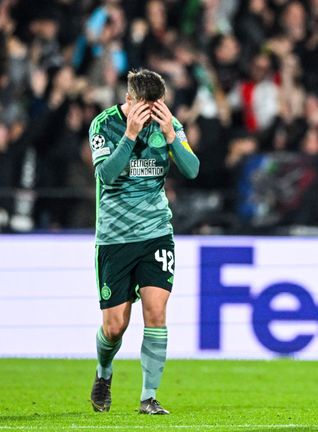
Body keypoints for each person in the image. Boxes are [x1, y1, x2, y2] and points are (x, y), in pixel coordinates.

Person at [88, 69, 200, 415]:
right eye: (145, 106)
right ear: (129, 100)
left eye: (158, 106)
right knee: (115, 326)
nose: (151, 113)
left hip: (156, 233)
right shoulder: (103, 125)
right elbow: (106, 174)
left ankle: (148, 397)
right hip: (115, 238)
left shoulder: (170, 124)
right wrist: (130, 135)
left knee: (156, 314)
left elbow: (192, 169)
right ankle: (104, 372)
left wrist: (170, 135)